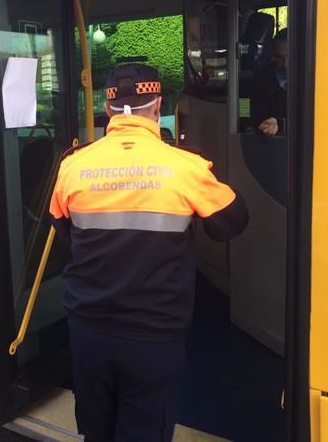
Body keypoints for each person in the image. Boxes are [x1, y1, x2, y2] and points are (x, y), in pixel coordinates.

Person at [49, 64, 249, 442]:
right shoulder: (185, 166)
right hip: (153, 337)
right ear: (157, 106)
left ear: (107, 110)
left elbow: (64, 235)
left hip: (88, 330)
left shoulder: (72, 166)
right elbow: (233, 222)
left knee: (95, 430)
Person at [250, 28, 287, 136]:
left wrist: (281, 125)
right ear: (273, 56)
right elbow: (248, 115)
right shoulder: (261, 81)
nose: (286, 64)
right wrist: (264, 125)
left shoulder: (309, 79)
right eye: (281, 58)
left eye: (291, 56)